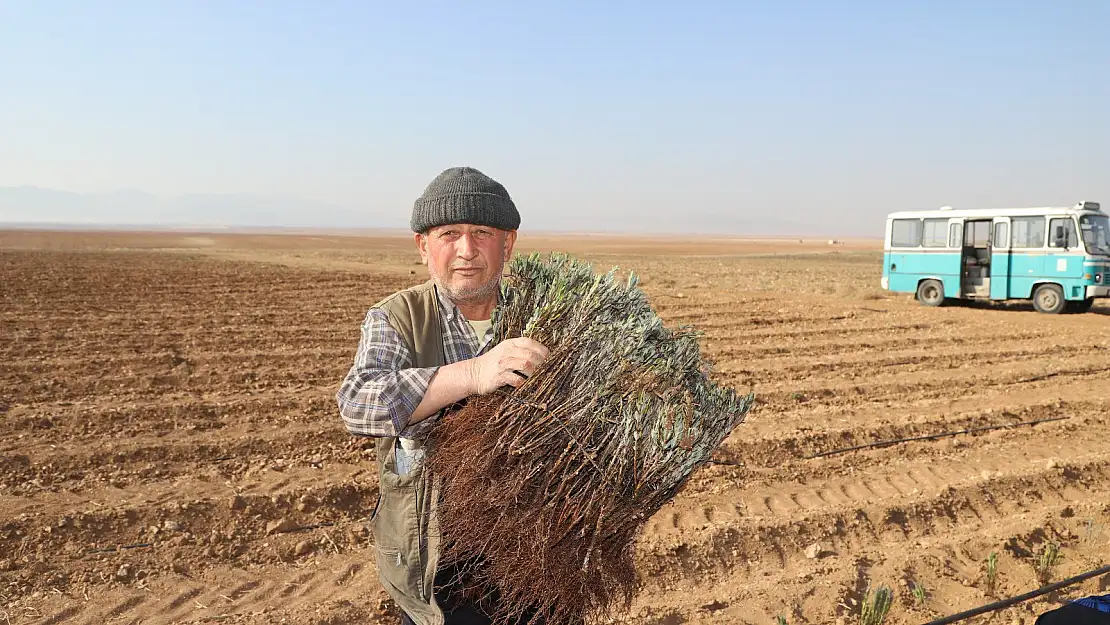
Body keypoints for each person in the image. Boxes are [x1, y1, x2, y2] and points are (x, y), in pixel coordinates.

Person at [335, 166, 550, 625]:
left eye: (482, 233)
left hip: (538, 556)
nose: (466, 250)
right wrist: (473, 373)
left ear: (508, 243)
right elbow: (358, 404)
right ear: (423, 246)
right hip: (436, 560)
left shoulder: (545, 318)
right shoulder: (397, 318)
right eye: (449, 233)